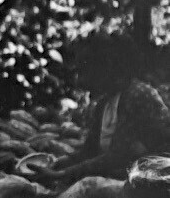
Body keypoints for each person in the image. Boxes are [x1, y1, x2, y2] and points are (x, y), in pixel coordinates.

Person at [42, 35, 170, 189]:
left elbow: (117, 157)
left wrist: (64, 173)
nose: (80, 80)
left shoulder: (138, 95)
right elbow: (90, 150)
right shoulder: (104, 104)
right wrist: (60, 163)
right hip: (129, 178)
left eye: (86, 71)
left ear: (106, 68)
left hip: (156, 182)